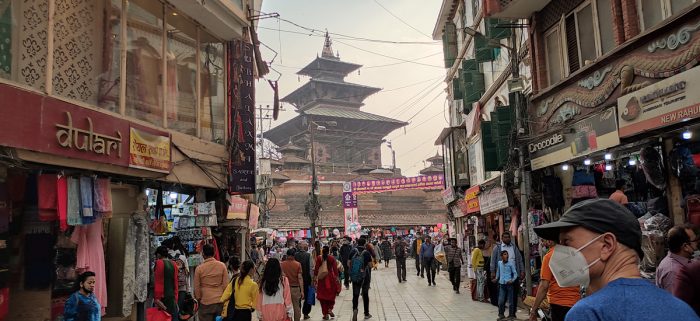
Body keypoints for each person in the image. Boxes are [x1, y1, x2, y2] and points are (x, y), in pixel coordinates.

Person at [533, 198, 698, 321]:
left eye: (566, 242)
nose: (559, 253)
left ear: (607, 245)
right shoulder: (683, 311)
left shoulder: (589, 313)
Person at [528, 239, 581, 321]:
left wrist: (534, 309)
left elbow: (544, 286)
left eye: (544, 240)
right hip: (575, 302)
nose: (543, 243)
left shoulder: (549, 257)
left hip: (558, 303)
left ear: (550, 241)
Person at [490, 231, 524, 314]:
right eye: (505, 237)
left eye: (508, 237)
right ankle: (501, 313)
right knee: (502, 297)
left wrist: (522, 271)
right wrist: (493, 272)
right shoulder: (497, 248)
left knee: (513, 296)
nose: (507, 238)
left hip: (513, 275)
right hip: (502, 276)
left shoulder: (514, 247)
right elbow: (493, 261)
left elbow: (519, 259)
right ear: (502, 238)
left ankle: (512, 314)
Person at [656, 224, 697, 291]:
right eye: (694, 241)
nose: (697, 244)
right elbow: (674, 300)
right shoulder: (673, 272)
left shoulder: (677, 261)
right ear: (685, 247)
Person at [194, 244, 228, 321]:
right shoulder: (222, 266)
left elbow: (197, 287)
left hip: (205, 301)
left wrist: (199, 299)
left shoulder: (199, 269)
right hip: (220, 301)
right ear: (214, 253)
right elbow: (226, 285)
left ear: (203, 254)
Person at [349, 237, 373, 321]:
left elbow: (348, 263)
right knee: (365, 294)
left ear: (357, 243)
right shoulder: (366, 253)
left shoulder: (352, 251)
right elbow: (370, 265)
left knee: (355, 294)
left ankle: (355, 309)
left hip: (355, 275)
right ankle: (366, 313)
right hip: (365, 275)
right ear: (364, 243)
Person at [315, 246, 340, 320]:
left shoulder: (319, 258)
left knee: (323, 297)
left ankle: (325, 313)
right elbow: (335, 269)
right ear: (329, 251)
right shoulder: (332, 258)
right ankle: (330, 308)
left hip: (322, 279)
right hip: (330, 278)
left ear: (322, 251)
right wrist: (337, 278)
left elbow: (316, 269)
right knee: (331, 294)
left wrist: (314, 278)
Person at [154, 245, 179, 320]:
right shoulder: (173, 264)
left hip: (162, 297)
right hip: (171, 296)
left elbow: (158, 281)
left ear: (159, 254)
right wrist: (176, 297)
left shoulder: (159, 263)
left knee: (163, 317)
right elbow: (175, 282)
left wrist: (157, 298)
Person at [281, 249, 304, 321]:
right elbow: (300, 278)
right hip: (295, 288)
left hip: (284, 289)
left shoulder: (282, 264)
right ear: (294, 256)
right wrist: (302, 291)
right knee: (296, 306)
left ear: (287, 255)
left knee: (285, 306)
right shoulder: (298, 264)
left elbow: (281, 277)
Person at [494, 250, 517, 321]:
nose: (506, 256)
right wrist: (496, 278)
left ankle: (511, 315)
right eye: (504, 254)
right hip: (502, 285)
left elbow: (515, 274)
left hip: (509, 285)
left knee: (510, 301)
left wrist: (512, 280)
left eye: (507, 254)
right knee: (501, 301)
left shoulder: (511, 264)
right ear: (501, 256)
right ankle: (501, 315)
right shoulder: (499, 263)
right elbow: (498, 272)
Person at [294, 241, 314, 320]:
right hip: (307, 279)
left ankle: (298, 313)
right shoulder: (309, 255)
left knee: (298, 298)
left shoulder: (294, 255)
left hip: (297, 280)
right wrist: (312, 279)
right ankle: (306, 313)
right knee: (308, 297)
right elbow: (311, 268)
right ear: (305, 247)